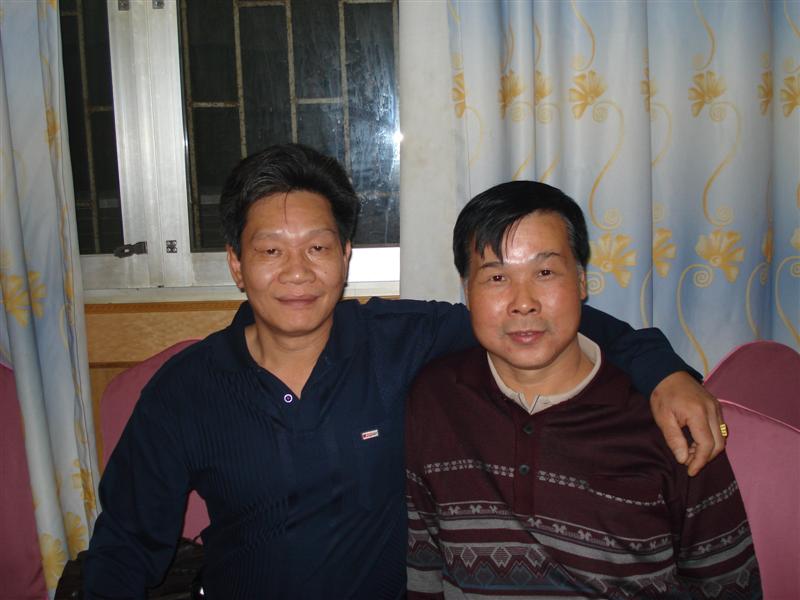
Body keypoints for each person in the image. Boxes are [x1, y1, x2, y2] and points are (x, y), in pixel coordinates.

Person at [85, 145, 725, 599]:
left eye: (317, 247)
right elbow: (126, 546)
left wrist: (664, 373)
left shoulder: (400, 342)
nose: (297, 272)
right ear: (235, 264)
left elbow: (540, 316)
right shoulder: (185, 389)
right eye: (270, 251)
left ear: (346, 257)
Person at [405, 181, 760, 598]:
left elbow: (728, 585)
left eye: (545, 272)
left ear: (581, 281)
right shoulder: (434, 400)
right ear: (467, 291)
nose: (523, 302)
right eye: (497, 277)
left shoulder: (670, 415)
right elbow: (423, 570)